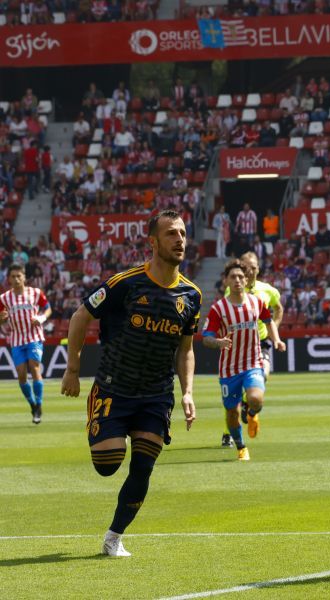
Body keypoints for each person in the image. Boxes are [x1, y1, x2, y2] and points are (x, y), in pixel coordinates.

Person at [60, 210, 202, 557]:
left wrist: (187, 392)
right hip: (114, 387)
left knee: (143, 466)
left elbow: (186, 349)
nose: (179, 240)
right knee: (108, 463)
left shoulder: (191, 295)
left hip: (156, 394)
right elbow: (80, 316)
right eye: (171, 234)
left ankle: (114, 537)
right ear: (153, 242)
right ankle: (110, 427)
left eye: (183, 233)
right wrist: (73, 369)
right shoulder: (124, 283)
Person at [203, 260, 285, 460]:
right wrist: (218, 342)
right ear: (226, 281)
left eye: (241, 276)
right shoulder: (218, 309)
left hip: (252, 363)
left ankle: (252, 413)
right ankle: (241, 447)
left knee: (256, 398)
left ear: (246, 280)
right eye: (233, 277)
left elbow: (268, 321)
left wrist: (276, 339)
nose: (238, 280)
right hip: (229, 369)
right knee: (232, 413)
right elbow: (206, 337)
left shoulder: (256, 303)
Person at [0, 264, 52, 423]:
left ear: (24, 277)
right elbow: (1, 318)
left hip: (34, 336)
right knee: (21, 375)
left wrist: (41, 318)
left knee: (34, 367)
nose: (16, 279)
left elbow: (48, 308)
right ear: (9, 279)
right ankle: (33, 405)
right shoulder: (4, 298)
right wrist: (2, 319)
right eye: (13, 276)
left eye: (19, 276)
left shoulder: (35, 293)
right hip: (16, 339)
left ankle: (39, 405)